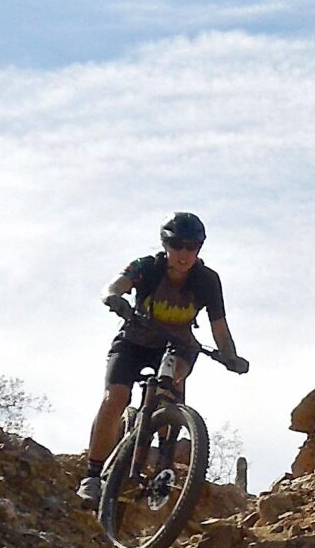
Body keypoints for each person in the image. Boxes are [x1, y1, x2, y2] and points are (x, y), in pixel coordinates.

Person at [78, 212, 249, 504]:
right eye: (176, 245)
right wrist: (113, 297)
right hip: (135, 339)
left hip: (179, 345)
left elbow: (219, 326)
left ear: (199, 248)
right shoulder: (149, 266)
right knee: (115, 397)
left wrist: (230, 356)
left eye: (191, 247)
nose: (183, 253)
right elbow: (116, 284)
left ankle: (163, 459)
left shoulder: (207, 280)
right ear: (165, 244)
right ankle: (92, 476)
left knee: (170, 383)